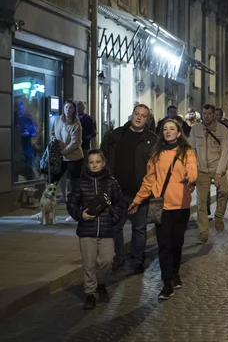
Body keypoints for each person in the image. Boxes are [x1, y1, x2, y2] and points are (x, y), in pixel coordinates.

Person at [128, 120, 197, 300]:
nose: (168, 132)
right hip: (161, 207)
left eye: (172, 129)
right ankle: (167, 283)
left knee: (177, 244)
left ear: (179, 133)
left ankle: (175, 273)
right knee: (164, 246)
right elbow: (149, 180)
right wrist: (137, 200)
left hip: (181, 205)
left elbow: (192, 169)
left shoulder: (186, 152)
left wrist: (190, 177)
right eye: (165, 129)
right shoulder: (156, 154)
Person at [101, 104, 158, 274]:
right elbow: (104, 157)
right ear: (132, 115)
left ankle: (137, 260)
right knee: (115, 227)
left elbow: (155, 167)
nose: (139, 117)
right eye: (137, 114)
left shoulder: (152, 140)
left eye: (143, 115)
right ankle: (119, 257)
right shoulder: (117, 135)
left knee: (139, 229)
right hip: (117, 192)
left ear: (147, 119)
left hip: (140, 192)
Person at [66, 150, 125, 310]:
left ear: (103, 163)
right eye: (91, 162)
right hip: (87, 230)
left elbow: (120, 203)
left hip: (106, 230)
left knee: (106, 261)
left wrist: (113, 219)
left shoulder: (111, 182)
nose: (94, 165)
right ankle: (90, 293)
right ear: (87, 164)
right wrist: (80, 214)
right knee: (89, 264)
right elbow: (71, 203)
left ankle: (101, 284)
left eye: (97, 161)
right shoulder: (80, 183)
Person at [189, 103, 228, 239]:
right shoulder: (195, 130)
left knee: (224, 191)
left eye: (209, 114)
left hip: (218, 168)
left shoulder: (223, 130)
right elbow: (192, 150)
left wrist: (219, 172)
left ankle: (219, 216)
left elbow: (225, 152)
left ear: (214, 115)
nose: (207, 116)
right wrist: (193, 169)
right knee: (201, 202)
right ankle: (204, 231)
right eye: (204, 113)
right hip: (201, 170)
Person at [52, 99, 84, 202]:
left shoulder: (76, 124)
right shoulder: (57, 120)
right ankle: (46, 207)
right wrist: (55, 141)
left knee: (74, 183)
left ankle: (75, 208)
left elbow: (76, 143)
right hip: (60, 157)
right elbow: (52, 133)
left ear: (74, 110)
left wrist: (63, 151)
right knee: (52, 180)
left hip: (74, 157)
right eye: (66, 107)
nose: (68, 110)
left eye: (70, 108)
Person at [15, 100, 37, 181]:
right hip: (16, 148)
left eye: (20, 109)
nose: (18, 111)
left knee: (28, 169)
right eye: (17, 109)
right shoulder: (12, 118)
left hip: (27, 147)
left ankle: (29, 185)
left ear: (23, 108)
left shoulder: (28, 119)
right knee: (15, 170)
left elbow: (34, 133)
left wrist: (26, 133)